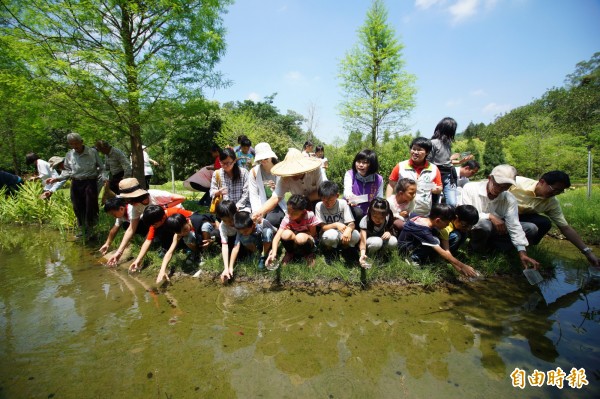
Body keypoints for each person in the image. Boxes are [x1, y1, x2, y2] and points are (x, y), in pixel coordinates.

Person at [510, 170, 599, 267]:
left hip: (520, 217)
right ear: (542, 182)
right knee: (530, 227)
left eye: (560, 191)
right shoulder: (516, 183)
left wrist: (587, 252)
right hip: (500, 213)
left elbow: (565, 228)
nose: (555, 193)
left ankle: (524, 249)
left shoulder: (551, 202)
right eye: (554, 189)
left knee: (544, 223)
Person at [460, 164, 540, 270]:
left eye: (506, 186)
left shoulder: (509, 198)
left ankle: (496, 249)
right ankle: (476, 251)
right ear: (489, 178)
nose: (500, 189)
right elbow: (464, 215)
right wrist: (490, 216)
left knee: (531, 228)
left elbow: (514, 225)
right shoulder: (470, 188)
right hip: (472, 227)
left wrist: (522, 252)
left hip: (497, 230)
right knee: (484, 225)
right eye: (498, 184)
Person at [105, 178, 184, 266]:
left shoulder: (155, 195)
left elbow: (181, 198)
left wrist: (163, 207)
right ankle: (164, 242)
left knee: (164, 225)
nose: (127, 203)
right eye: (126, 200)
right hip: (157, 221)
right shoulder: (135, 206)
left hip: (174, 217)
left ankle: (172, 245)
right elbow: (131, 229)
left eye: (129, 200)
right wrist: (119, 252)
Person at [46, 132, 104, 238]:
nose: (74, 146)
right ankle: (83, 229)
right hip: (76, 183)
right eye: (71, 144)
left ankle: (92, 229)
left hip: (90, 181)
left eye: (76, 143)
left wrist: (101, 180)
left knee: (90, 206)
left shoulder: (92, 152)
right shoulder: (69, 155)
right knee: (77, 206)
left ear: (81, 142)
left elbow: (101, 167)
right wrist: (57, 178)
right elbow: (67, 171)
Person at [398, 203, 480, 277]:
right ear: (438, 220)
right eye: (447, 223)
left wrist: (458, 268)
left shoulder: (423, 219)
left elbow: (446, 251)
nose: (447, 225)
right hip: (406, 252)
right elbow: (443, 252)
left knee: (436, 239)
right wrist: (463, 266)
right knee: (435, 241)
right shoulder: (423, 230)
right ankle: (412, 260)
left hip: (409, 245)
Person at [252, 148, 323, 219]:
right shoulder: (285, 178)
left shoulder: (316, 171)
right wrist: (260, 212)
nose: (293, 173)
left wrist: (305, 199)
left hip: (318, 204)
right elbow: (275, 197)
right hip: (299, 207)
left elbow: (323, 191)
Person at [386, 137, 442, 217]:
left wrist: (436, 190)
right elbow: (391, 184)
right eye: (413, 149)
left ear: (427, 152)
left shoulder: (433, 168)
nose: (415, 152)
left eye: (419, 150)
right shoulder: (401, 166)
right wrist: (388, 202)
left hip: (423, 211)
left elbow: (440, 187)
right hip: (402, 211)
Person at [128, 205, 193, 272]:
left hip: (187, 232)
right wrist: (138, 260)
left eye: (154, 224)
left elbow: (194, 216)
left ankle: (187, 247)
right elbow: (148, 241)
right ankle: (167, 247)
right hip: (175, 235)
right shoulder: (155, 223)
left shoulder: (174, 212)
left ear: (163, 217)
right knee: (161, 231)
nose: (153, 226)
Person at [155, 212, 215, 284]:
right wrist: (162, 270)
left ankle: (205, 252)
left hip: (209, 236)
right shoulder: (179, 234)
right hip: (198, 242)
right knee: (187, 238)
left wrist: (212, 240)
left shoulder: (197, 220)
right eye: (181, 233)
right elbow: (170, 252)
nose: (184, 233)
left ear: (187, 221)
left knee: (205, 226)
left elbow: (216, 226)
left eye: (185, 229)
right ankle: (198, 253)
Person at [427, 117, 473, 206]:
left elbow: (446, 161)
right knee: (434, 203)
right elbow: (428, 162)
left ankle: (447, 217)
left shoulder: (447, 144)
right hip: (435, 175)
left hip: (448, 175)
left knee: (452, 203)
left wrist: (460, 162)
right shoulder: (433, 143)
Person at [220, 211, 276, 282]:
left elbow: (275, 233)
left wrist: (273, 250)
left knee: (268, 232)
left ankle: (263, 256)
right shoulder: (241, 231)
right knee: (244, 238)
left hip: (265, 243)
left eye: (246, 231)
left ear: (253, 225)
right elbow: (236, 247)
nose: (243, 233)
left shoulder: (262, 222)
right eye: (241, 232)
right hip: (255, 246)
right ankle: (257, 255)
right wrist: (230, 268)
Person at [266, 194, 320, 267]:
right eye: (288, 211)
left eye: (294, 213)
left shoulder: (309, 216)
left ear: (303, 211)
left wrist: (297, 234)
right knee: (285, 234)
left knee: (300, 237)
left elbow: (313, 234)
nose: (290, 215)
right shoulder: (287, 218)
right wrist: (274, 254)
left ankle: (309, 254)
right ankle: (290, 253)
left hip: (308, 241)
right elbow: (277, 237)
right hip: (296, 238)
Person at [315, 181, 360, 259]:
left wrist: (348, 230)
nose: (328, 203)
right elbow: (323, 227)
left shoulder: (343, 203)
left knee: (356, 235)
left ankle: (346, 248)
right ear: (320, 197)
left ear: (337, 196)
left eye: (331, 200)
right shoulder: (319, 206)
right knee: (331, 235)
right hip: (328, 234)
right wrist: (336, 224)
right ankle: (330, 250)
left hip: (342, 233)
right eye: (325, 200)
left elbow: (351, 223)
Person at [248, 142, 286, 228]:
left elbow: (282, 195)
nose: (263, 161)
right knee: (251, 221)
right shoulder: (254, 172)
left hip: (276, 205)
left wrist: (276, 188)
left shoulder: (280, 169)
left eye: (266, 158)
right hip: (260, 204)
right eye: (261, 159)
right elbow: (253, 195)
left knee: (270, 220)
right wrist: (257, 212)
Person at [343, 149, 384, 221]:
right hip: (352, 209)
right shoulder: (350, 174)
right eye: (358, 161)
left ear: (372, 164)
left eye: (365, 163)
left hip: (369, 211)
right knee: (358, 212)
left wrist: (372, 208)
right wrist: (351, 198)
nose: (360, 165)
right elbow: (347, 192)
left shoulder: (379, 179)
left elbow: (379, 198)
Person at [358, 198, 398, 268]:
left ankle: (383, 254)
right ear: (370, 212)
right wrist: (362, 255)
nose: (377, 219)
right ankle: (370, 255)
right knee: (377, 242)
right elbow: (363, 241)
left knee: (393, 241)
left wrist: (389, 232)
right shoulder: (365, 221)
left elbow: (390, 228)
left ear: (386, 214)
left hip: (382, 239)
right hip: (371, 242)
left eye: (381, 217)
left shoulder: (389, 216)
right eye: (375, 216)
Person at [215, 200, 241, 283]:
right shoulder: (223, 226)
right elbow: (224, 246)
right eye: (225, 220)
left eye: (231, 219)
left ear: (236, 212)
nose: (229, 223)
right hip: (230, 240)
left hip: (240, 240)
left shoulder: (240, 221)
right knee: (215, 234)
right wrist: (226, 268)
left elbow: (237, 244)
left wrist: (231, 266)